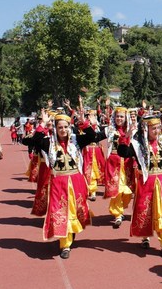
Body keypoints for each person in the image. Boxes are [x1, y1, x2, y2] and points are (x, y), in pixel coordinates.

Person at [117, 115, 162, 256]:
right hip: (145, 182)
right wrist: (127, 136)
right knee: (145, 209)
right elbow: (123, 153)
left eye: (158, 128)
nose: (157, 131)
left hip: (161, 181)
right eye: (153, 128)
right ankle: (145, 237)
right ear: (146, 129)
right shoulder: (138, 145)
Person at [32, 109, 95, 259]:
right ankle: (65, 245)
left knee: (74, 211)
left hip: (76, 181)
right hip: (58, 183)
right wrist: (42, 124)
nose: (63, 130)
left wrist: (83, 122)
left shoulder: (76, 139)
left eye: (66, 127)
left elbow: (92, 136)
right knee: (60, 212)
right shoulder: (49, 142)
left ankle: (70, 234)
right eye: (60, 127)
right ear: (55, 128)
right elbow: (35, 140)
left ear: (69, 127)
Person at [103, 104, 135, 228]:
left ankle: (120, 208)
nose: (119, 119)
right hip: (113, 163)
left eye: (121, 116)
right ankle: (118, 214)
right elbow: (96, 136)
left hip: (127, 162)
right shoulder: (110, 130)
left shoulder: (131, 130)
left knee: (127, 191)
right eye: (117, 116)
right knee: (116, 189)